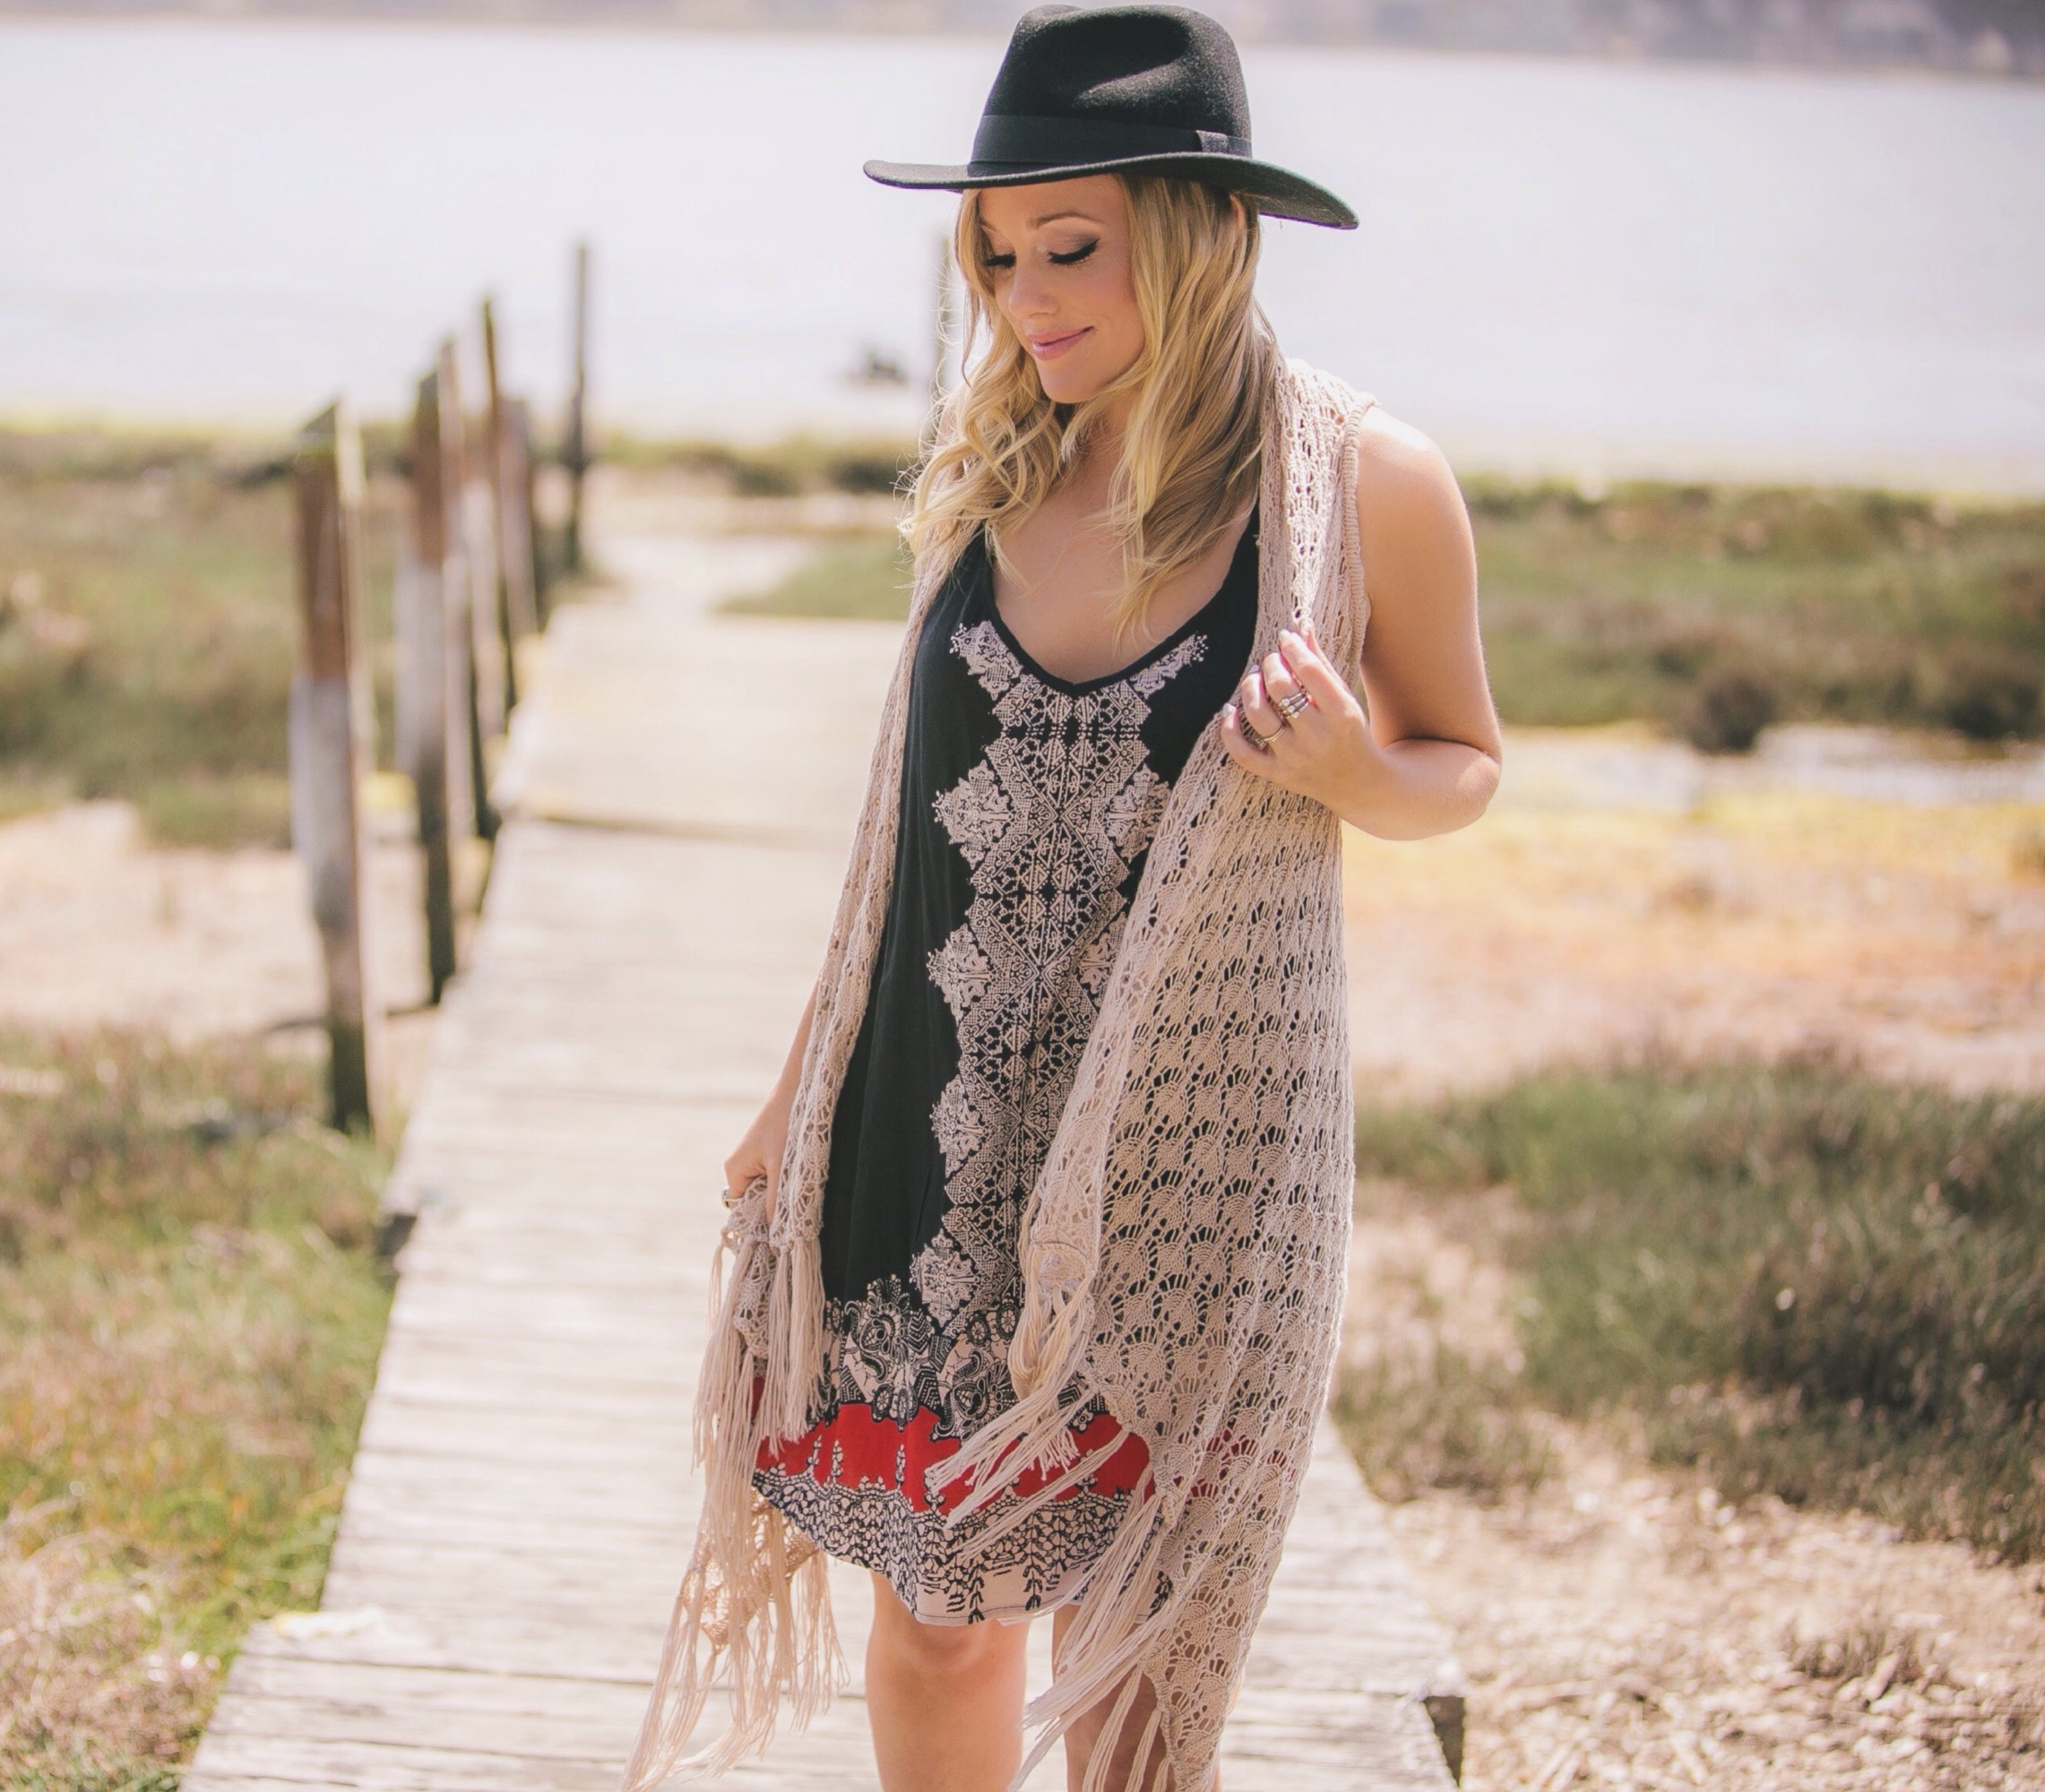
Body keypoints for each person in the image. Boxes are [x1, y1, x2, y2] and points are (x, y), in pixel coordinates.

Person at [624, 7, 1502, 1792]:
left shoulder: (1366, 486)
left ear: (1205, 232)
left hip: (1192, 1167)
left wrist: (1351, 773)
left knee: (1139, 1648)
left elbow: (1463, 757)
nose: (1027, 300)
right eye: (999, 256)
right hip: (932, 1133)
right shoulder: (993, 466)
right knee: (944, 1613)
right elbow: (901, 848)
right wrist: (796, 1095)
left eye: (1070, 248)